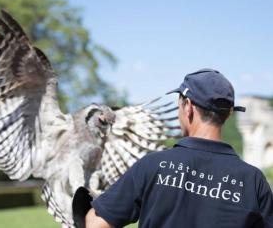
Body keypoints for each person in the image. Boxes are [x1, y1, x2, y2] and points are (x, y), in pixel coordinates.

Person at [84, 68, 273, 228]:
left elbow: (97, 225)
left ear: (188, 107)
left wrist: (84, 207)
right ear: (228, 114)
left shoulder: (153, 165)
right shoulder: (254, 181)